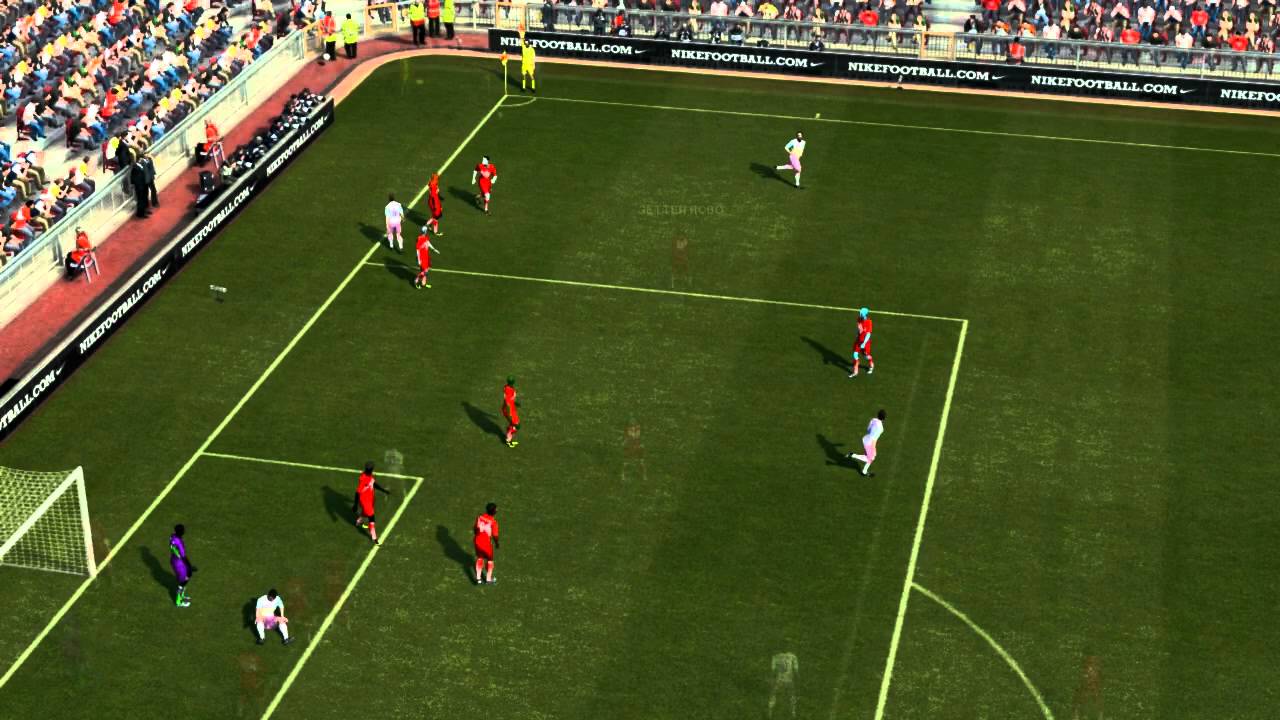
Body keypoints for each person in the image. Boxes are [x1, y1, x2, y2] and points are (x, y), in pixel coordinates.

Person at [353, 461, 393, 544]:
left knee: (366, 513)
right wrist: (355, 505)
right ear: (371, 470)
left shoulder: (367, 475)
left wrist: (384, 490)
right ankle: (374, 537)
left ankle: (359, 521)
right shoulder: (364, 479)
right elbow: (357, 492)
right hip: (365, 501)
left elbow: (374, 484)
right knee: (372, 519)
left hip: (370, 499)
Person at [846, 409, 886, 476]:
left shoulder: (873, 420)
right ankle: (852, 455)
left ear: (878, 415)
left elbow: (868, 429)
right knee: (870, 458)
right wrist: (874, 448)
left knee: (870, 456)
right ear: (884, 418)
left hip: (865, 439)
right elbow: (874, 439)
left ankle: (864, 471)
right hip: (870, 443)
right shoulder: (881, 429)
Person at [472, 502, 500, 585]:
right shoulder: (493, 522)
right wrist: (497, 543)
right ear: (494, 511)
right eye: (496, 509)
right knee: (490, 560)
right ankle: (488, 579)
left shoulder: (480, 517)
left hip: (477, 541)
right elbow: (495, 535)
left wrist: (477, 535)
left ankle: (478, 579)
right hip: (486, 543)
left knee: (480, 558)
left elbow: (475, 528)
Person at [169, 524, 193, 607]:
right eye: (183, 530)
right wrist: (189, 566)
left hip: (174, 560)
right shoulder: (179, 542)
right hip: (179, 563)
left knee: (187, 576)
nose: (184, 531)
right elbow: (183, 556)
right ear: (181, 532)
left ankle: (182, 596)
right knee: (183, 582)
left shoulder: (172, 536)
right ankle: (178, 602)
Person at [849, 306, 874, 377]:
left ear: (865, 314)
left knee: (866, 356)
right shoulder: (859, 319)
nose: (860, 314)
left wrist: (864, 343)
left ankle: (871, 364)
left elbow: (868, 334)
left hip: (865, 342)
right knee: (855, 354)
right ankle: (855, 371)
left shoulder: (869, 322)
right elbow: (859, 329)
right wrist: (857, 335)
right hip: (858, 340)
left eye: (861, 313)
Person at [502, 376, 520, 447]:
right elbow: (507, 403)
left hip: (511, 408)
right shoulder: (509, 390)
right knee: (516, 426)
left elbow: (509, 400)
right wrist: (509, 417)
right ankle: (508, 440)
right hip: (509, 410)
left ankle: (509, 434)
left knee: (514, 425)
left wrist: (515, 403)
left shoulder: (507, 387)